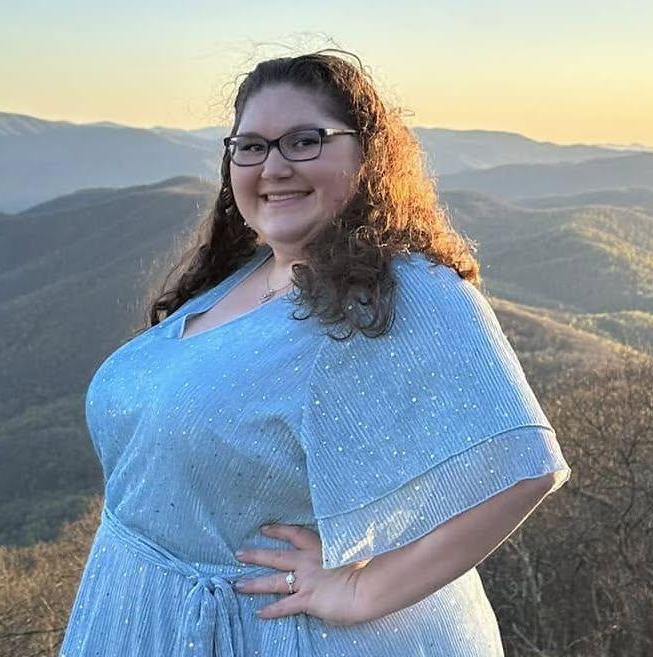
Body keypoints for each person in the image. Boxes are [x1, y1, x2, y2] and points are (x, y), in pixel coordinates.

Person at [59, 49, 572, 657]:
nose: (273, 167)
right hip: (143, 609)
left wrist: (359, 590)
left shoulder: (407, 289)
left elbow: (523, 466)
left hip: (273, 634)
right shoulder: (242, 276)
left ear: (365, 154)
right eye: (250, 147)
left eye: (304, 141)